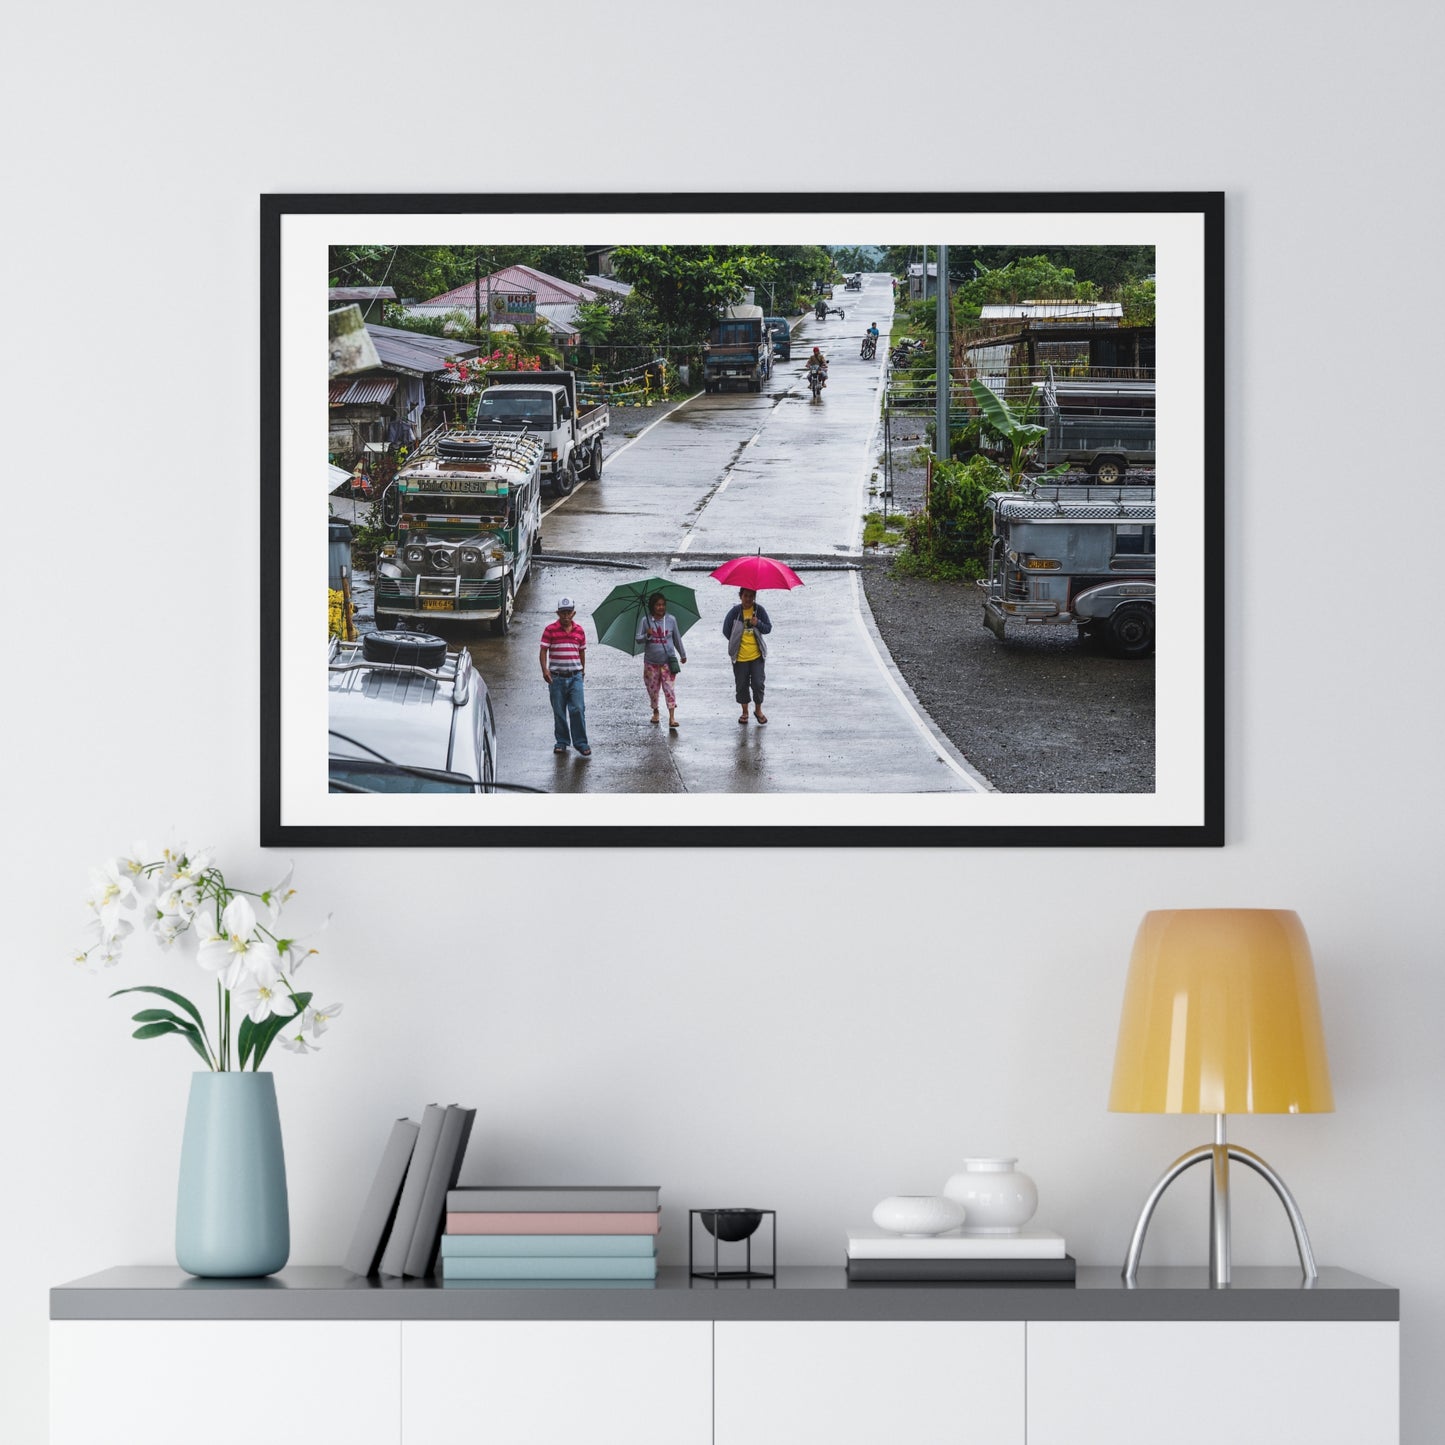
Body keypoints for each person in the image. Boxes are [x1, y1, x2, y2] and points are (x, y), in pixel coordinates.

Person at [540, 597, 590, 756]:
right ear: (558, 613)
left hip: (575, 676)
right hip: (556, 678)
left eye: (569, 612)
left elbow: (581, 651)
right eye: (563, 613)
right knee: (559, 711)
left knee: (578, 709)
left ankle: (581, 743)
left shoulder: (579, 630)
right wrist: (545, 670)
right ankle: (561, 742)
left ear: (573, 613)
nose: (566, 616)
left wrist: (582, 670)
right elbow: (543, 651)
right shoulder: (550, 630)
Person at [635, 591, 687, 729]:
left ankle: (672, 717)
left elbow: (677, 638)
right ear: (652, 606)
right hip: (651, 663)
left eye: (663, 605)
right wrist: (647, 634)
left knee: (669, 689)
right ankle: (655, 711)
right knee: (653, 690)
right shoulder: (645, 621)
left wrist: (682, 654)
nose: (661, 607)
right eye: (658, 605)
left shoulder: (671, 620)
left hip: (668, 662)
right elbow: (638, 639)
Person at [722, 586, 772, 725]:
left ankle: (758, 710)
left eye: (751, 596)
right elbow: (726, 630)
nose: (748, 599)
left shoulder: (759, 611)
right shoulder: (735, 612)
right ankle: (745, 712)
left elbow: (768, 628)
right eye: (746, 596)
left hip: (757, 656)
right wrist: (736, 641)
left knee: (758, 684)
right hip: (740, 657)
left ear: (754, 596)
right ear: (740, 596)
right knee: (741, 685)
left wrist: (758, 623)